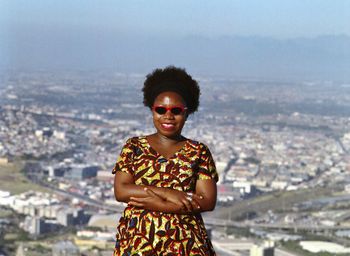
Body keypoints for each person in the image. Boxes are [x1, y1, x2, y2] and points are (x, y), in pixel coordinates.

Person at [112, 66, 218, 255]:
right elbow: (121, 190)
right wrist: (169, 194)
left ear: (187, 112)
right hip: (139, 242)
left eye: (176, 110)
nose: (168, 116)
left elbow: (207, 201)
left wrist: (159, 204)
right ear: (152, 111)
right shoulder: (134, 147)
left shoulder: (198, 151)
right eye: (161, 109)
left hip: (186, 245)